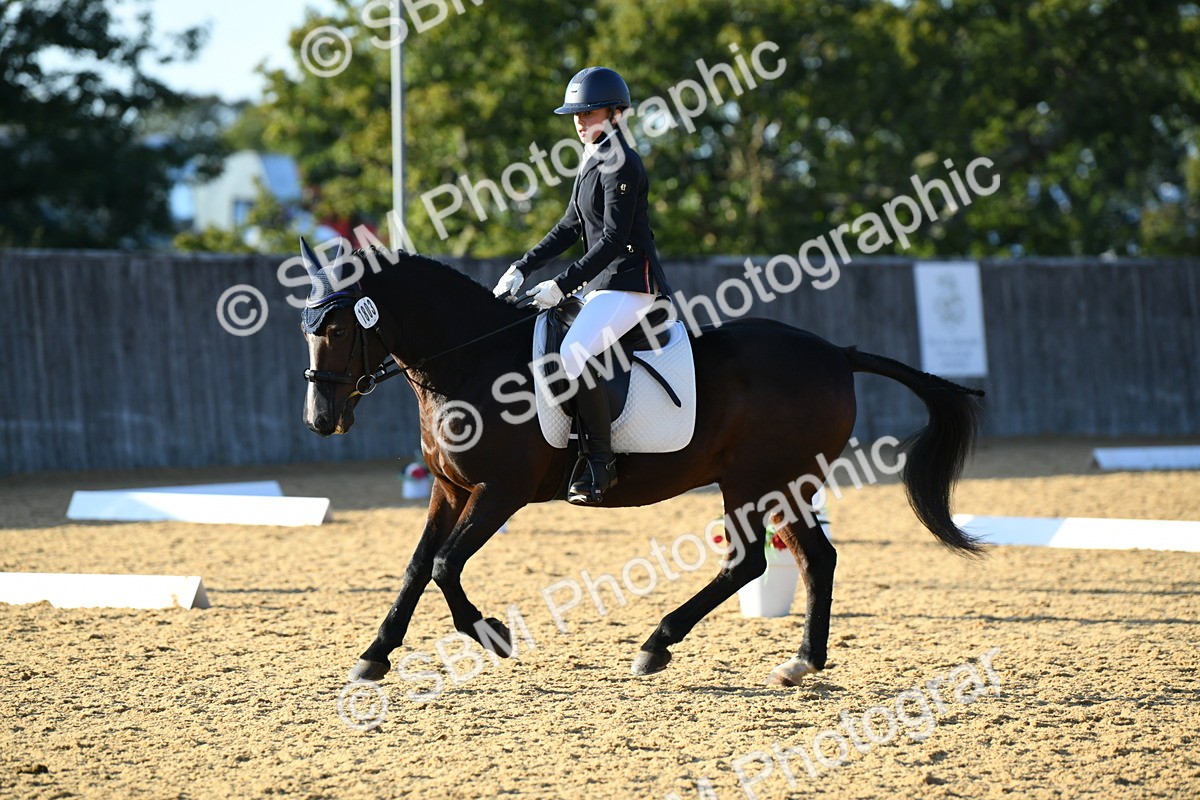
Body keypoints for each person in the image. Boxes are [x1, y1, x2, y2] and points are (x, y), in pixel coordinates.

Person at [493, 66, 672, 506]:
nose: (579, 120)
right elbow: (570, 227)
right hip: (603, 285)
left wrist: (561, 283)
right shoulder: (592, 159)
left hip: (631, 283)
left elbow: (613, 240)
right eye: (576, 113)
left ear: (614, 114)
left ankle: (600, 463)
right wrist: (522, 267)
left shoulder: (623, 162)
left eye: (588, 112)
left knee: (573, 354)